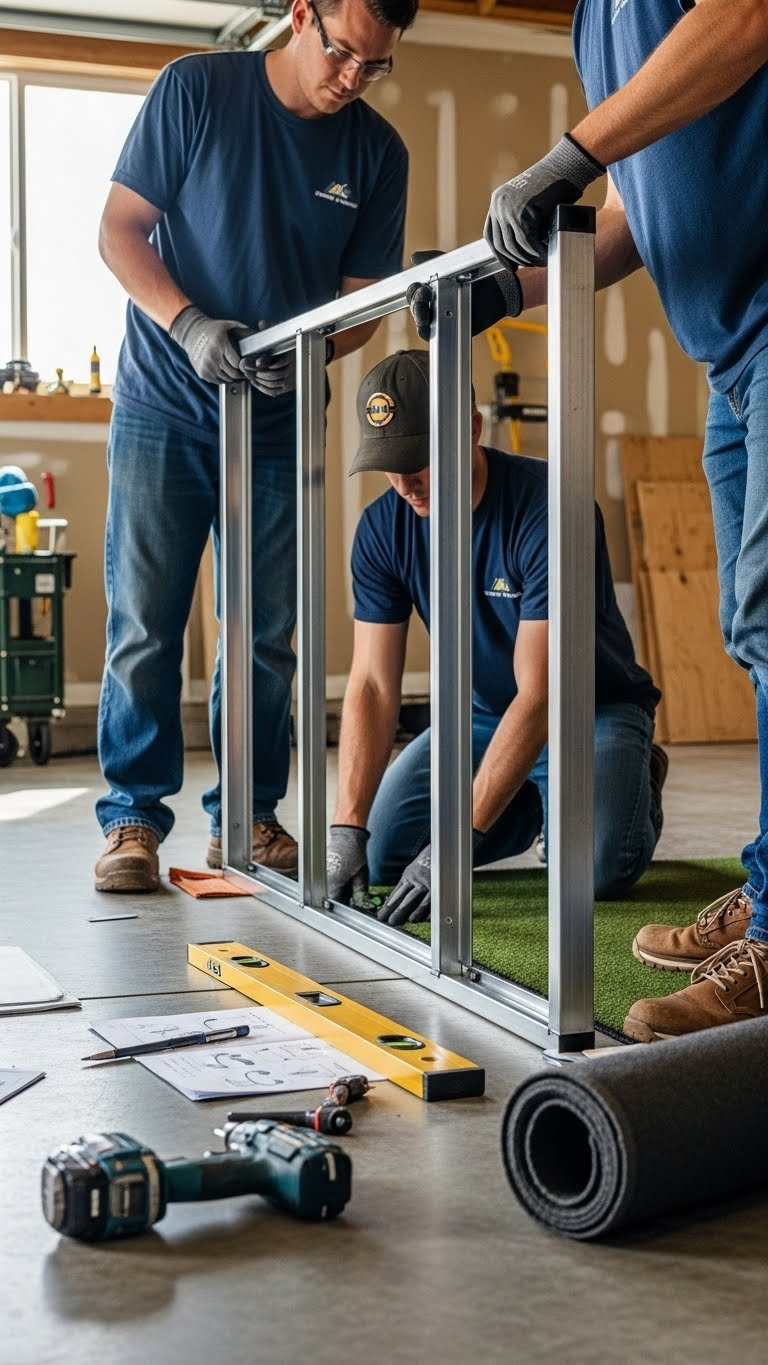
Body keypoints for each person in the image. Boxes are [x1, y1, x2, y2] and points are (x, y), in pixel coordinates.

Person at [477, 0, 768, 1040]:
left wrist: (573, 150)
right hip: (731, 358)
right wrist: (506, 287)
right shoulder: (595, 23)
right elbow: (641, 216)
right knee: (752, 632)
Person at [93, 0, 418, 894]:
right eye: (343, 53)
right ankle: (131, 818)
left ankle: (248, 816)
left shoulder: (377, 152)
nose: (352, 79)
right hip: (164, 403)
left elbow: (362, 302)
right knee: (145, 623)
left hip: (279, 419)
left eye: (375, 66)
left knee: (264, 633)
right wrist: (189, 325)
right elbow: (119, 230)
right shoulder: (196, 90)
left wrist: (309, 352)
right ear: (302, 14)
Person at [326, 348, 665, 924]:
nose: (405, 484)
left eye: (419, 459)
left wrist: (459, 842)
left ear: (472, 429)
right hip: (482, 717)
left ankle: (635, 777)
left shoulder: (551, 509)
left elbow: (543, 694)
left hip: (587, 711)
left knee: (593, 869)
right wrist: (345, 828)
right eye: (389, 463)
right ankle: (529, 800)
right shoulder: (384, 528)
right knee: (382, 854)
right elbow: (373, 686)